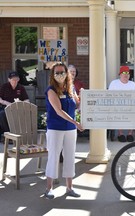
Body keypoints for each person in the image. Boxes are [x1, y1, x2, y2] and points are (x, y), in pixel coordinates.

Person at [44, 62, 83, 199]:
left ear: (67, 73)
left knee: (70, 156)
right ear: (53, 75)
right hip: (56, 128)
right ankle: (49, 188)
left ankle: (69, 187)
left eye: (62, 72)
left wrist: (84, 96)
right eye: (57, 73)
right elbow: (59, 111)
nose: (60, 75)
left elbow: (77, 103)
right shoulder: (51, 90)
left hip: (70, 129)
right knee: (54, 157)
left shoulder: (70, 88)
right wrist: (75, 122)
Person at [108, 66, 135, 142]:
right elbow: (109, 96)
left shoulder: (132, 84)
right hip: (117, 105)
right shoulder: (114, 83)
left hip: (130, 106)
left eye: (128, 73)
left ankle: (130, 133)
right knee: (118, 111)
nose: (126, 75)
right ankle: (120, 133)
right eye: (124, 73)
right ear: (120, 74)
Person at [0, 71, 29, 140]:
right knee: (2, 114)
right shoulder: (4, 86)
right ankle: (8, 134)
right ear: (9, 79)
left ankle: (22, 134)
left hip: (18, 107)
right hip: (6, 107)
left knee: (26, 113)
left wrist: (21, 103)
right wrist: (6, 102)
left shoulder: (21, 87)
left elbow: (26, 99)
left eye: (16, 79)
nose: (15, 81)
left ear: (18, 79)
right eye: (13, 79)